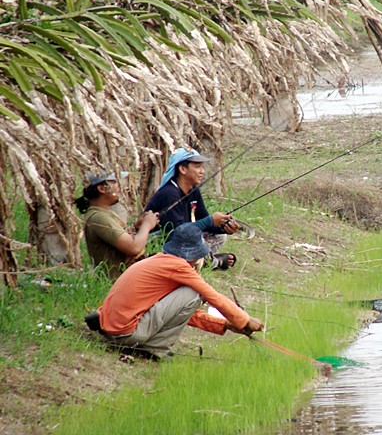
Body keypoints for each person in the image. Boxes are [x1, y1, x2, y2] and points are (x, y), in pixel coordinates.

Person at [85, 223, 264, 359]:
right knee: (194, 293)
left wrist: (224, 324)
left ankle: (150, 346)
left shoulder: (160, 260)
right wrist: (245, 320)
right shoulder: (178, 266)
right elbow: (211, 296)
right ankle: (154, 348)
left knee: (191, 295)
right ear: (193, 254)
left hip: (112, 329)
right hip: (125, 333)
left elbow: (177, 312)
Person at [144, 147, 239, 270]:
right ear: (183, 169)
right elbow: (178, 232)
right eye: (197, 167)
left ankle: (203, 260)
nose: (202, 171)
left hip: (182, 237)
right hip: (162, 241)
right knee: (197, 238)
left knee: (220, 236)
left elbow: (203, 220)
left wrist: (224, 227)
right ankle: (213, 262)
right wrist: (210, 220)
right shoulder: (169, 193)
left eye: (201, 167)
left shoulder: (193, 190)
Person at [75, 170, 159, 280]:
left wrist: (136, 227)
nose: (119, 186)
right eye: (114, 182)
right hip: (117, 283)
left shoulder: (104, 213)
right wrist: (146, 226)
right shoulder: (98, 217)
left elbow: (118, 239)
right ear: (102, 189)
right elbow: (134, 248)